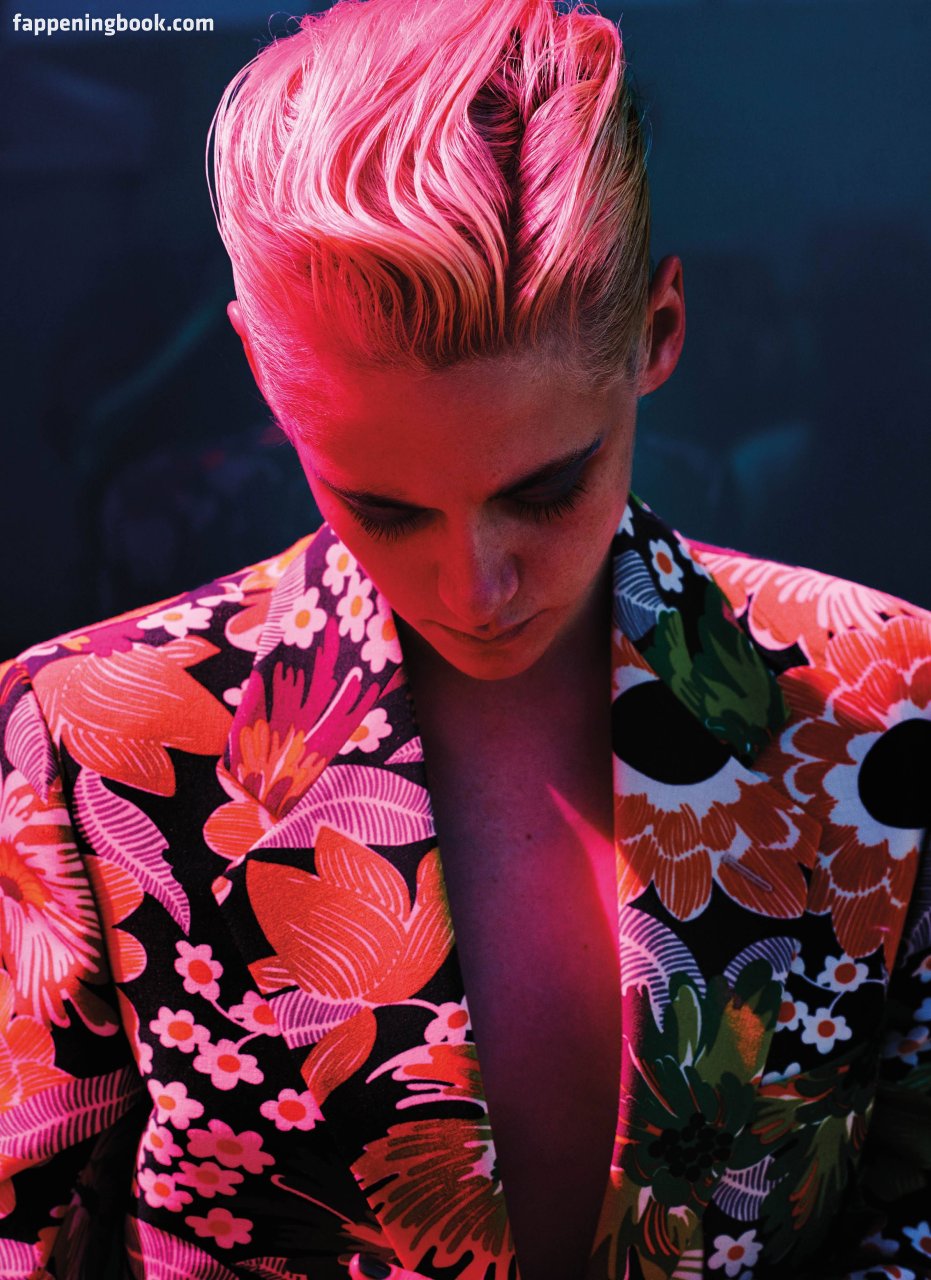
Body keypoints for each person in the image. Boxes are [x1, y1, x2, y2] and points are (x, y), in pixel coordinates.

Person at [1, 1, 929, 1277]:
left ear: (659, 332)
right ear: (263, 374)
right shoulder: (92, 742)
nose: (474, 583)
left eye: (544, 489)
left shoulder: (887, 704)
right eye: (382, 505)